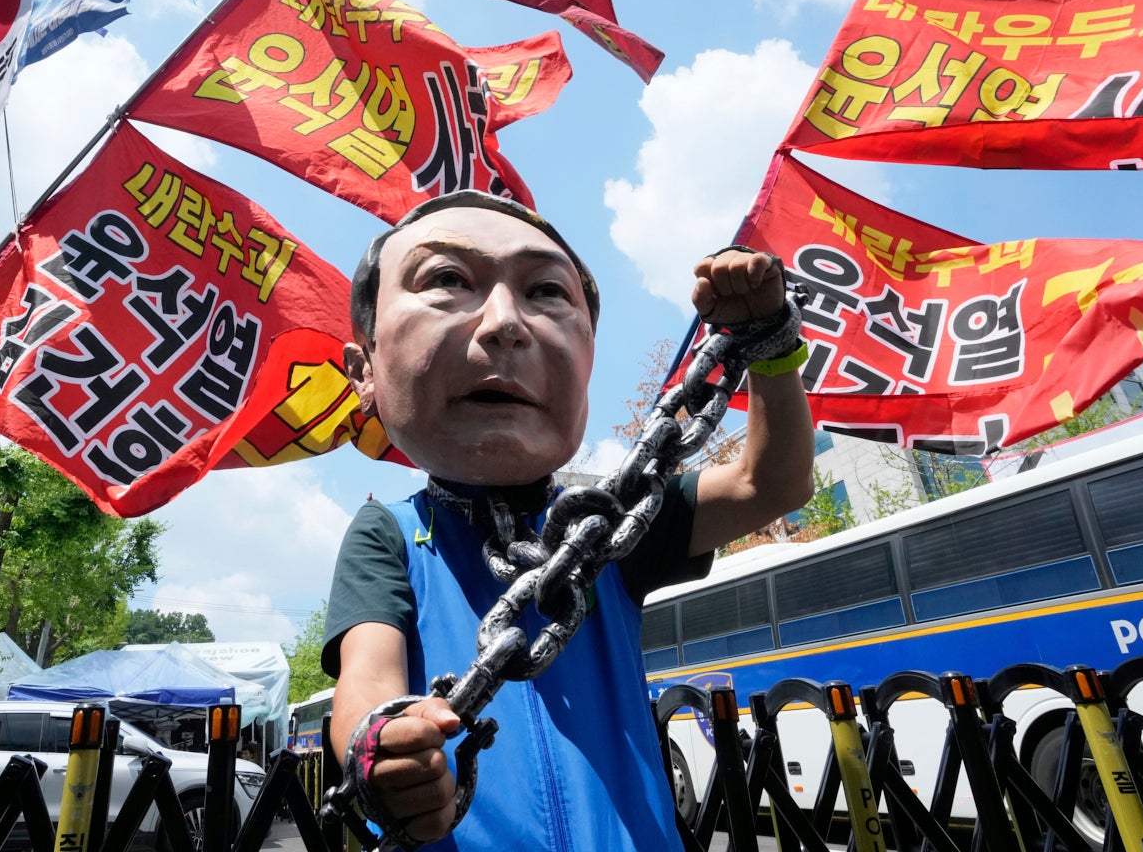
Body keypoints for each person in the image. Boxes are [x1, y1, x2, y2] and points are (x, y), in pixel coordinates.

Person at [321, 191, 814, 851]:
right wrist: (378, 740)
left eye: (546, 292)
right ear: (363, 370)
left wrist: (772, 349)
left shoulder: (607, 524)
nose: (505, 324)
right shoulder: (390, 535)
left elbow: (769, 480)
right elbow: (366, 678)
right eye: (446, 280)